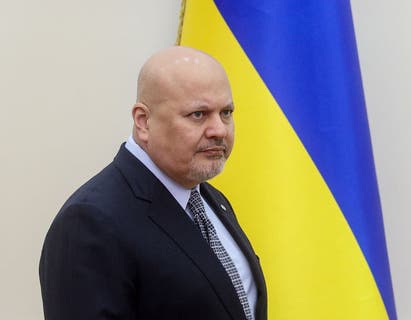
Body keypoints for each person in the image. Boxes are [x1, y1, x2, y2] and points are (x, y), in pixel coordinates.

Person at [39, 46, 267, 320]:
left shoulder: (210, 198)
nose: (219, 129)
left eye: (226, 112)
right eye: (198, 114)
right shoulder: (89, 222)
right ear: (143, 121)